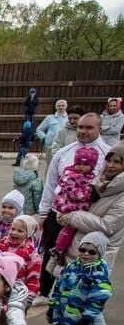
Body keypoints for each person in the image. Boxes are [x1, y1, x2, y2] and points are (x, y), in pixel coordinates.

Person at [63, 141, 124, 325]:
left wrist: (74, 216)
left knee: (92, 303)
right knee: (75, 297)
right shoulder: (101, 183)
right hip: (85, 248)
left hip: (100, 252)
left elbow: (108, 226)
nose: (111, 165)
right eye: (109, 159)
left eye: (118, 161)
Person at [36, 112, 110, 301]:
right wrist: (44, 212)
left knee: (78, 255)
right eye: (81, 127)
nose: (83, 131)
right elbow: (51, 185)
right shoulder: (63, 152)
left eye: (89, 128)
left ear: (99, 129)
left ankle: (72, 294)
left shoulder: (108, 156)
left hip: (85, 217)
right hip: (57, 212)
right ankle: (44, 292)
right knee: (52, 251)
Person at [50, 146, 101, 255]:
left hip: (80, 209)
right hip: (68, 207)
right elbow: (73, 193)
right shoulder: (70, 176)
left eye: (86, 164)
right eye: (79, 164)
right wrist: (88, 194)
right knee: (69, 230)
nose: (81, 167)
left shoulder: (91, 176)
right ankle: (59, 249)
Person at [0, 213, 41, 295]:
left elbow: (33, 277)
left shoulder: (32, 255)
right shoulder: (0, 244)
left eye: (20, 231)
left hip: (16, 292)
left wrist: (29, 296)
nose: (14, 233)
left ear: (29, 234)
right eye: (12, 229)